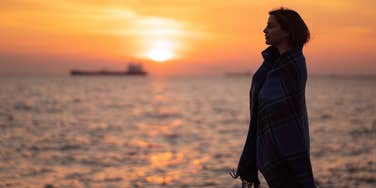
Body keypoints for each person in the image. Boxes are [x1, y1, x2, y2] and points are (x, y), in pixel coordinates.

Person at [230, 7, 316, 188]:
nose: (264, 30)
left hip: (287, 148)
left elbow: (282, 111)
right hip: (272, 150)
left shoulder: (293, 64)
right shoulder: (271, 64)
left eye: (270, 26)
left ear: (286, 31)